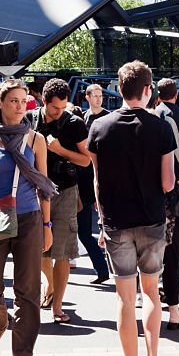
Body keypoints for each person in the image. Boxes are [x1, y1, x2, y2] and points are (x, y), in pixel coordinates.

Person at [89, 61, 176, 356]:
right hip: (152, 218)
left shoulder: (99, 127)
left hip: (115, 221)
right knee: (151, 292)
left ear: (119, 90)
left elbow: (97, 182)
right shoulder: (160, 127)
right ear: (147, 90)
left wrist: (101, 219)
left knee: (125, 299)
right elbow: (168, 183)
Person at [0, 79, 56, 356]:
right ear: (1, 104)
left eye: (23, 101)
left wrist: (47, 224)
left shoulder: (36, 140)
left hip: (30, 217)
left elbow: (44, 186)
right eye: (14, 101)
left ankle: (22, 354)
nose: (20, 106)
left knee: (28, 289)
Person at [31, 78, 90, 323]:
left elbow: (86, 160)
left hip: (65, 190)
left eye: (63, 107)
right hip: (34, 191)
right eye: (55, 108)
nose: (59, 112)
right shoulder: (30, 120)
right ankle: (51, 283)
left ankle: (57, 305)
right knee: (38, 250)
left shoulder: (74, 123)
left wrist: (59, 150)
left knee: (63, 251)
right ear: (44, 102)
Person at [153, 77, 179, 330]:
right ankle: (173, 310)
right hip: (176, 189)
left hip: (151, 193)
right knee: (173, 249)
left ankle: (150, 294)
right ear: (176, 94)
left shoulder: (151, 116)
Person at [79, 84, 110, 284]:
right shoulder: (82, 118)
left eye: (101, 96)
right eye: (95, 96)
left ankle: (108, 267)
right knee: (84, 231)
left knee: (107, 226)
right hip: (84, 177)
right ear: (88, 97)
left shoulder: (109, 118)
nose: (99, 99)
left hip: (104, 177)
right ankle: (102, 267)